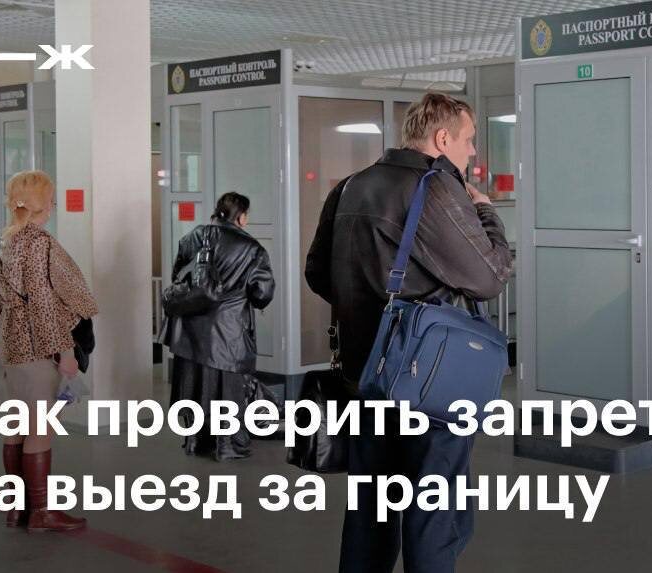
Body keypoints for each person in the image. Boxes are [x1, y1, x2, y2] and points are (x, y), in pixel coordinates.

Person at [306, 92, 513, 573]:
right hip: (425, 381)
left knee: (371, 509)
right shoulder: (436, 187)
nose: (472, 151)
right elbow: (488, 276)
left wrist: (371, 306)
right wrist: (486, 212)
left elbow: (318, 274)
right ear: (442, 139)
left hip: (363, 375)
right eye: (469, 139)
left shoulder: (350, 185)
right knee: (433, 513)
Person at [0, 170, 98, 532]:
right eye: (50, 199)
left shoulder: (5, 241)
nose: (54, 205)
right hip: (38, 347)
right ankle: (41, 512)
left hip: (12, 344)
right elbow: (43, 304)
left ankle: (17, 508)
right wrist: (65, 351)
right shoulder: (39, 244)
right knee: (40, 428)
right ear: (41, 205)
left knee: (17, 425)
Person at [162, 192, 275, 461]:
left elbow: (179, 277)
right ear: (242, 217)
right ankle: (227, 446)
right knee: (228, 392)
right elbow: (262, 293)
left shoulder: (192, 238)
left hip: (189, 334)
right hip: (229, 334)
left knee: (196, 388)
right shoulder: (252, 249)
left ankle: (194, 442)